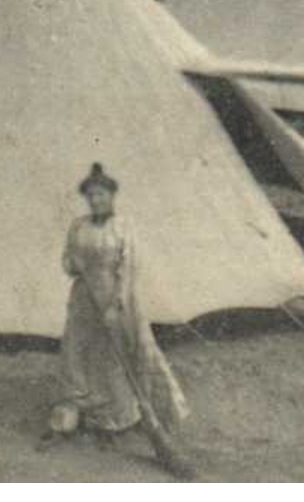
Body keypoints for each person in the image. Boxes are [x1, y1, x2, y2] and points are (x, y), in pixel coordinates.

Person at [54, 162, 196, 479]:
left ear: (112, 196)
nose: (95, 200)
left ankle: (115, 421)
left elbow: (129, 267)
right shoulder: (78, 226)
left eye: (101, 194)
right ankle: (84, 414)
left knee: (115, 360)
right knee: (78, 351)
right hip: (83, 300)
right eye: (91, 196)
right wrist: (73, 265)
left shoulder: (124, 227)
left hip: (115, 299)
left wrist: (115, 304)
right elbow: (67, 260)